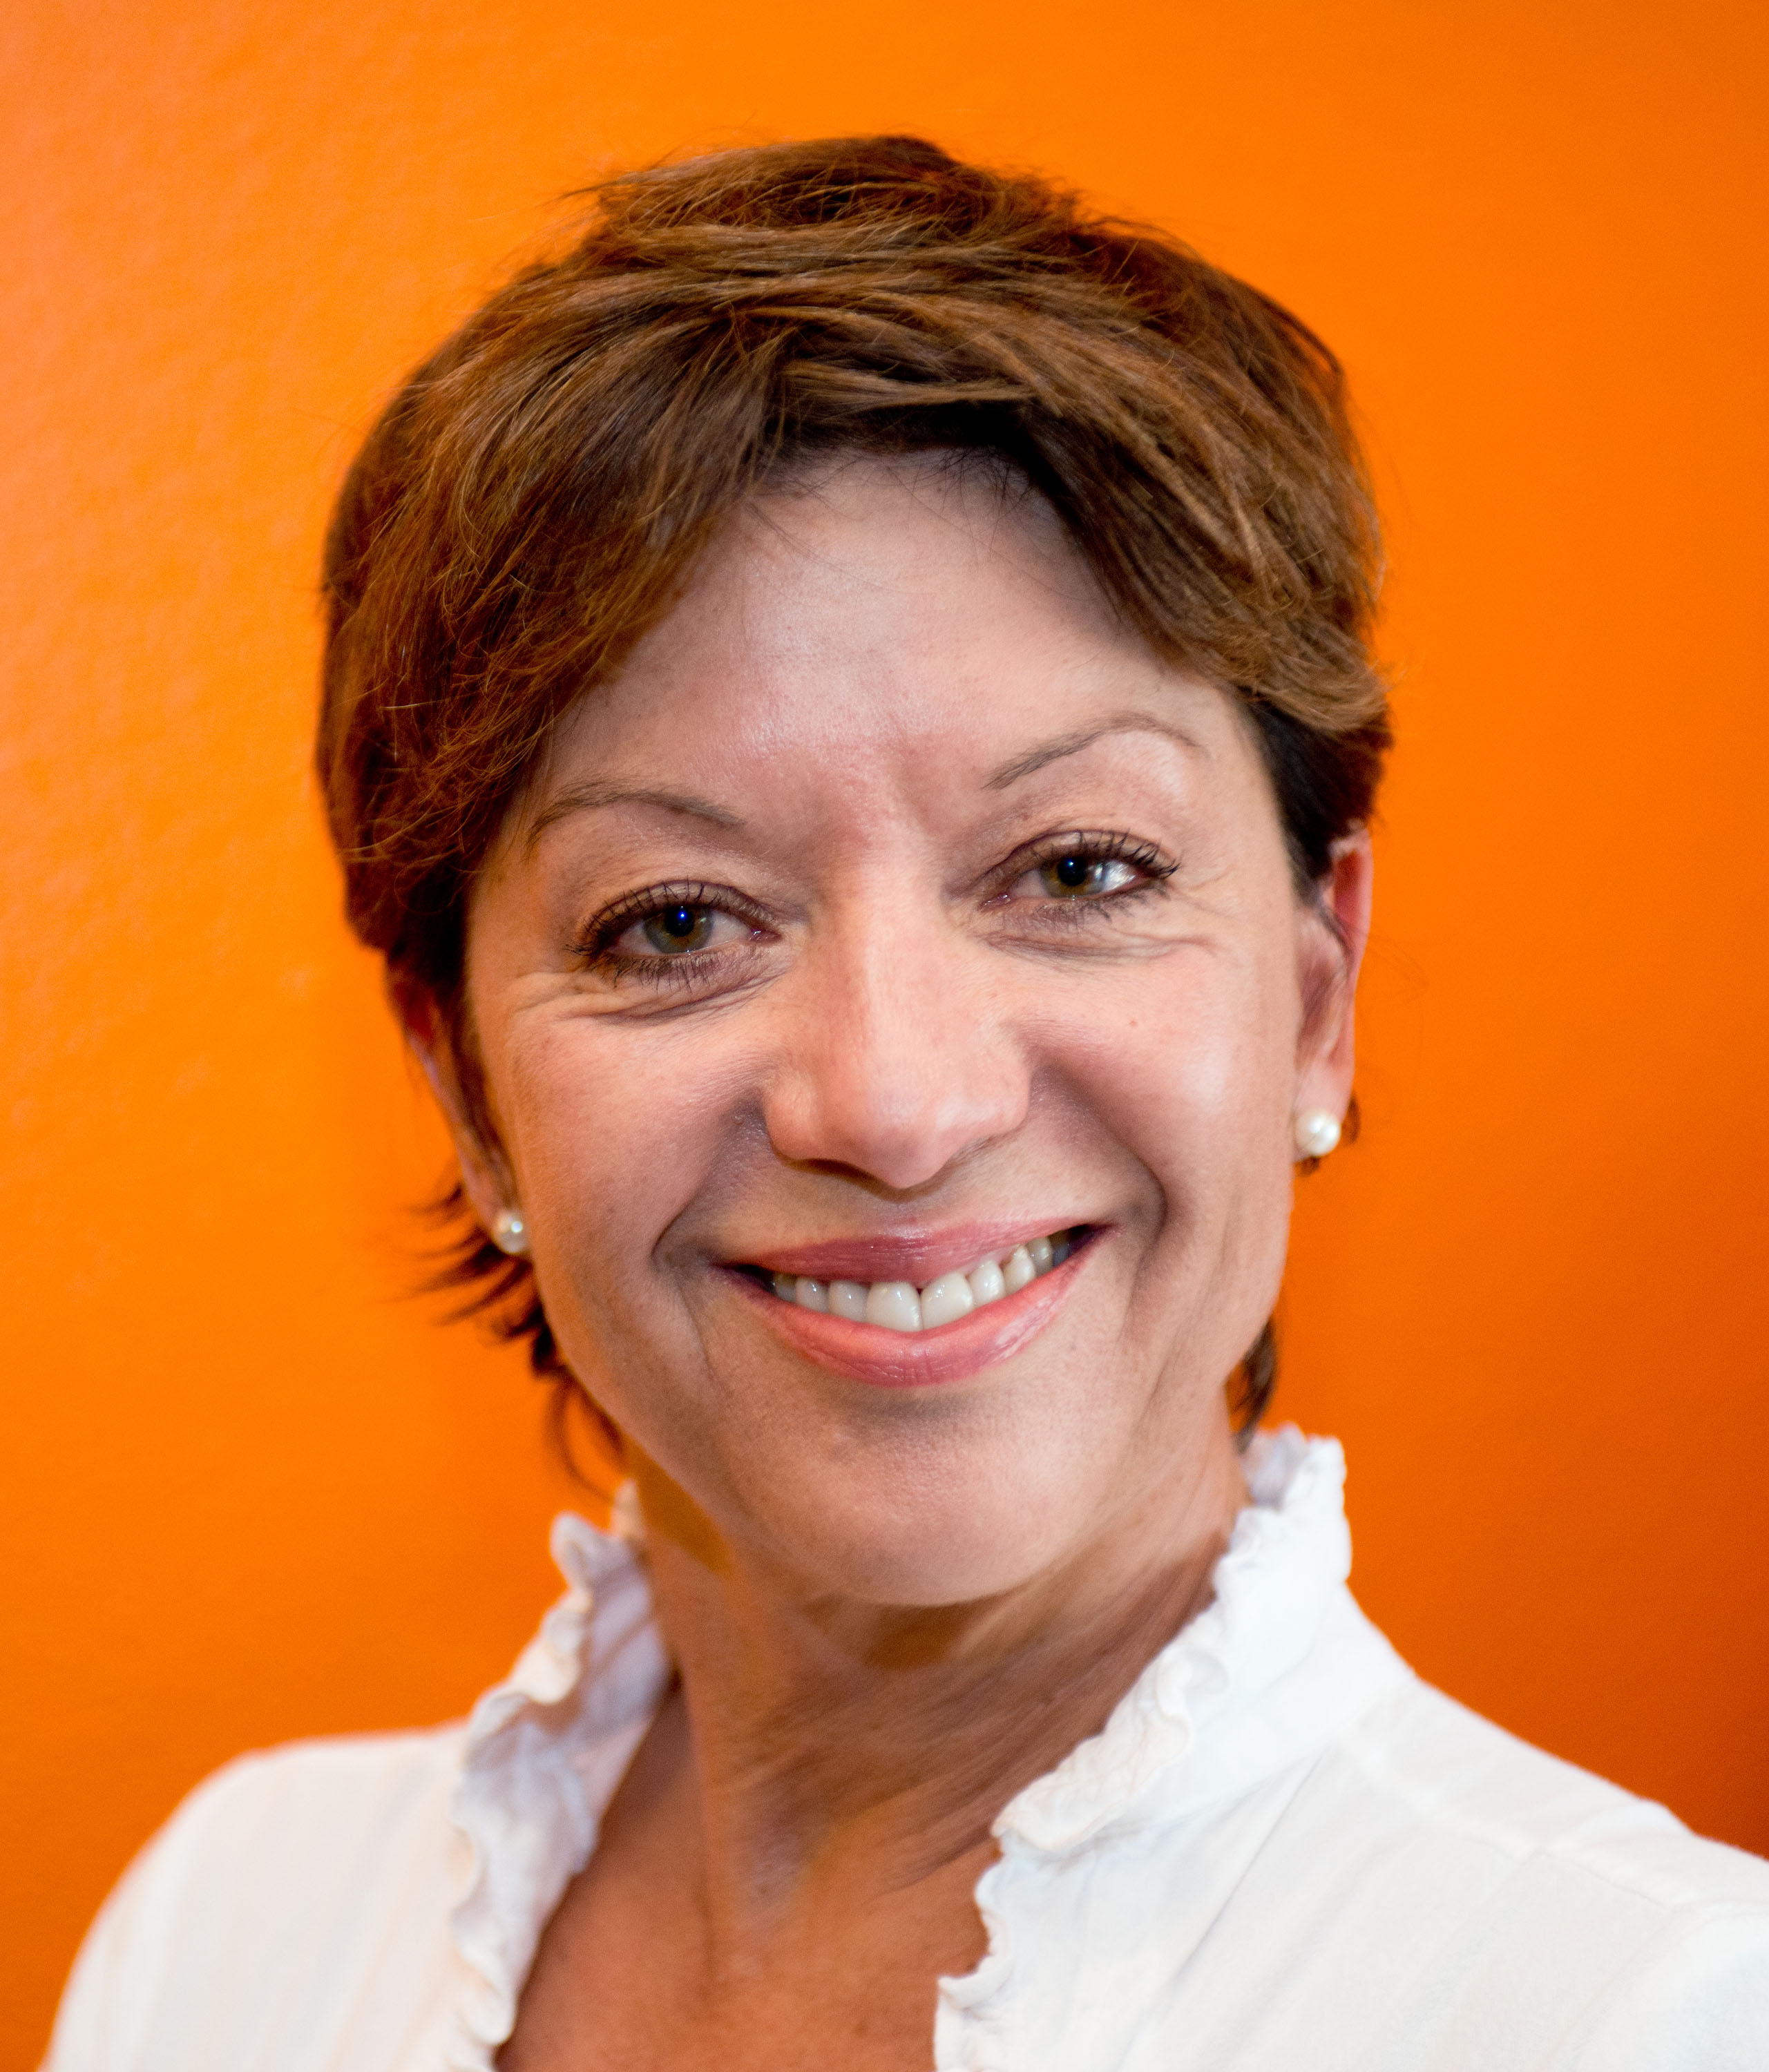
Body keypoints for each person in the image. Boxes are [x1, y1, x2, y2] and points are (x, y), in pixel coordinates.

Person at [45, 135, 1769, 2072]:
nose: (893, 1097)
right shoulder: (231, 1936)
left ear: (1312, 987)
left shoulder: (1651, 2016)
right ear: (463, 1092)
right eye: (675, 919)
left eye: (1078, 871)